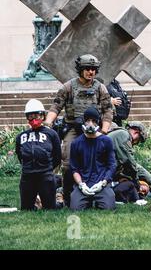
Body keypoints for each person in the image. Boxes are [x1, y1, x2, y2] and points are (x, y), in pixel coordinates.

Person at [44, 54, 113, 207]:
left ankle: (100, 193)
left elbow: (108, 110)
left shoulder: (100, 88)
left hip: (95, 131)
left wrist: (104, 131)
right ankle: (69, 196)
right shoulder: (69, 86)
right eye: (87, 69)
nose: (91, 72)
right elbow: (56, 106)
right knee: (68, 164)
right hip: (73, 129)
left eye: (94, 69)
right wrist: (48, 123)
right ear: (80, 70)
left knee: (100, 162)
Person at [16, 99, 61, 210]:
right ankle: (37, 202)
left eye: (37, 115)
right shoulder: (21, 136)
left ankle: (60, 201)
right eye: (30, 116)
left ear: (43, 115)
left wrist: (47, 169)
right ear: (27, 117)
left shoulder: (51, 134)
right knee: (26, 209)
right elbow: (19, 155)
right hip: (27, 176)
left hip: (45, 176)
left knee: (50, 208)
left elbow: (57, 157)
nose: (34, 119)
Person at [69, 107, 116, 211]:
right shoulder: (76, 143)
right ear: (84, 122)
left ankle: (100, 197)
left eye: (94, 121)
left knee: (109, 207)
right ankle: (87, 199)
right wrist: (81, 185)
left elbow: (112, 165)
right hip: (84, 183)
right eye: (88, 120)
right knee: (75, 208)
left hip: (101, 183)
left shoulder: (106, 141)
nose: (90, 124)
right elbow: (74, 168)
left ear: (98, 123)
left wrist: (103, 182)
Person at [108, 121, 151, 197]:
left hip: (103, 169)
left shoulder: (119, 134)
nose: (136, 144)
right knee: (138, 168)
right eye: (138, 140)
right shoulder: (123, 134)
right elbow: (129, 162)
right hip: (102, 170)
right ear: (136, 132)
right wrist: (136, 181)